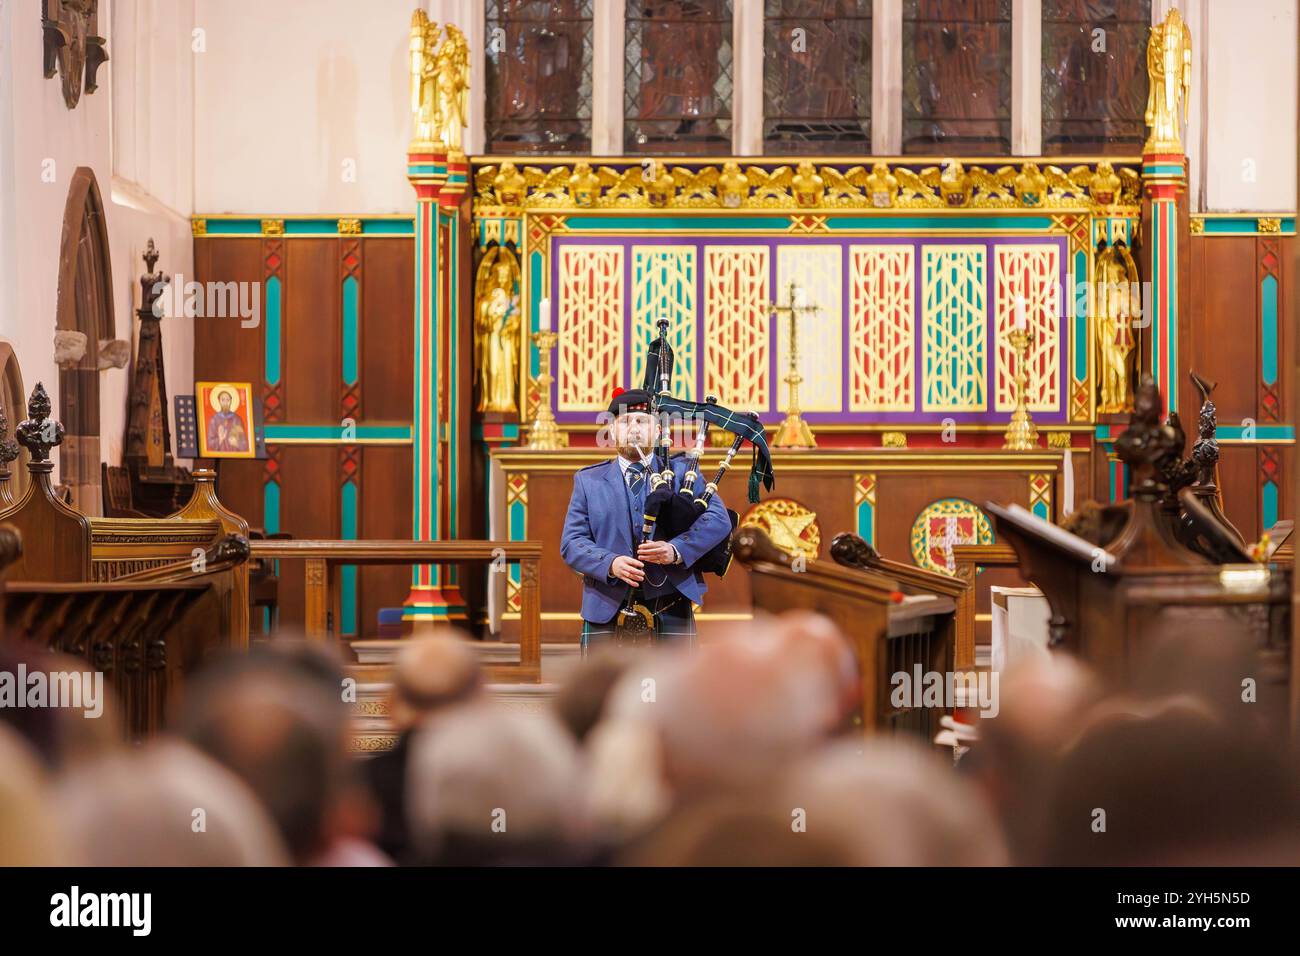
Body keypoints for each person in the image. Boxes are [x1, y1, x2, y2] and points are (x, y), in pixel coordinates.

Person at [559, 387, 731, 651]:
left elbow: (718, 519)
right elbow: (572, 542)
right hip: (606, 605)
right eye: (625, 422)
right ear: (612, 432)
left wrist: (676, 550)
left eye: (642, 422)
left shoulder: (684, 473)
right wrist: (611, 563)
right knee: (603, 692)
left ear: (658, 431)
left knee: (674, 692)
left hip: (670, 601)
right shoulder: (588, 481)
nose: (634, 429)